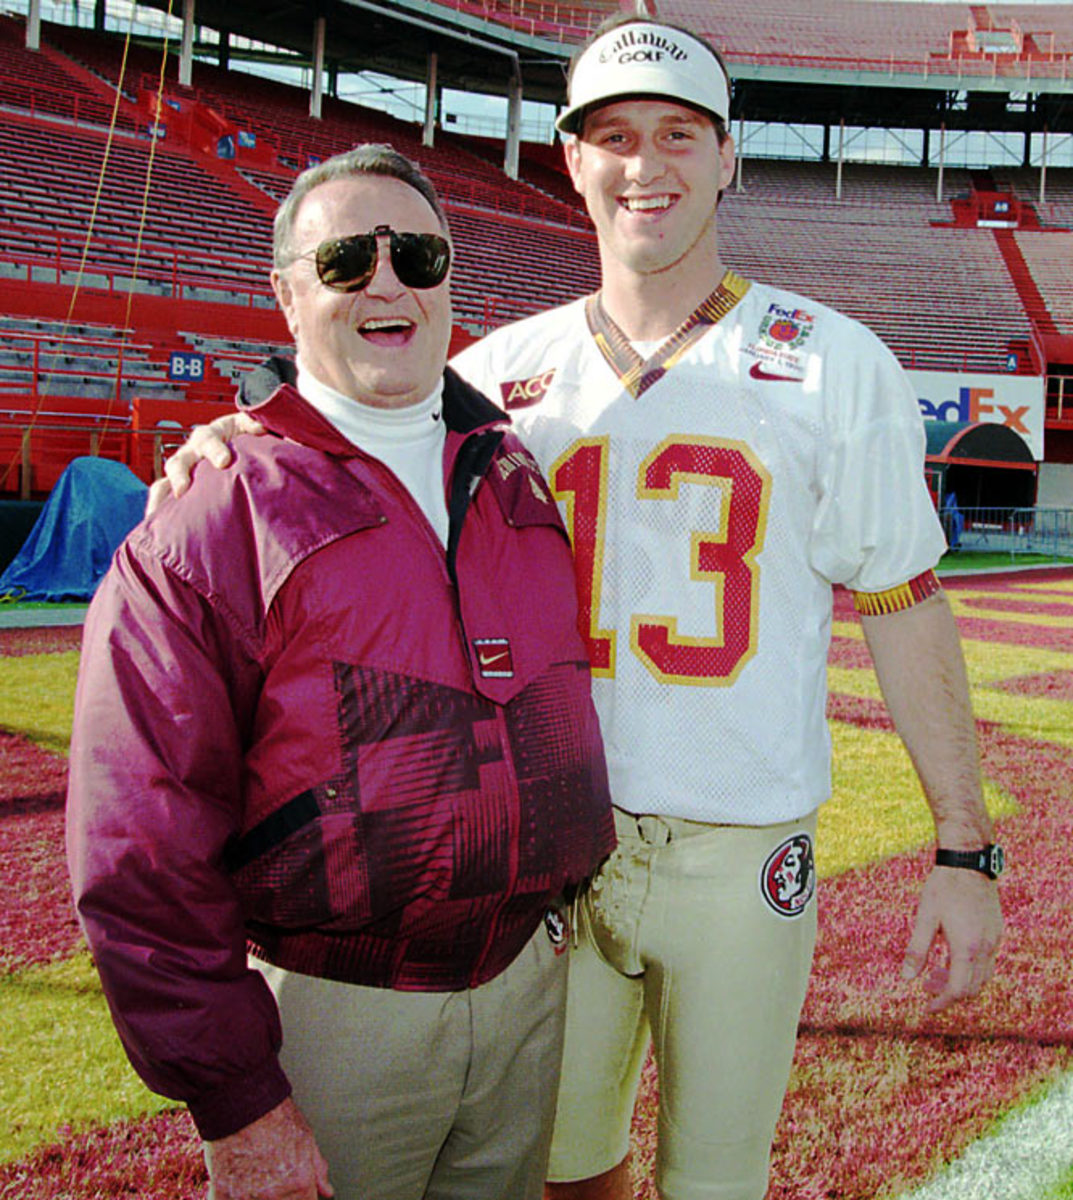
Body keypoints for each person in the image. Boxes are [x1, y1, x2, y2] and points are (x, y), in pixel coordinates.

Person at [158, 17, 1005, 1200]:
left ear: (726, 158)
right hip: (551, 849)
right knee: (558, 1171)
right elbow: (341, 429)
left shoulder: (832, 361)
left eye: (675, 134)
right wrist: (232, 439)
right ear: (570, 158)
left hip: (738, 849)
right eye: (612, 135)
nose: (643, 164)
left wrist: (963, 846)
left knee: (716, 1178)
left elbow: (903, 606)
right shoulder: (501, 370)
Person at [66, 143, 615, 1200]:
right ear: (283, 296)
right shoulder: (214, 510)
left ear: (450, 280)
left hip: (524, 988)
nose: (386, 282)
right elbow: (138, 837)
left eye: (413, 253)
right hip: (332, 1013)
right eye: (344, 262)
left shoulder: (512, 470)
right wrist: (235, 1094)